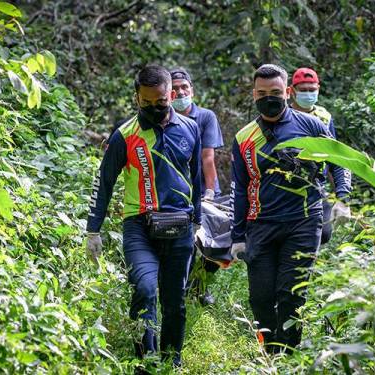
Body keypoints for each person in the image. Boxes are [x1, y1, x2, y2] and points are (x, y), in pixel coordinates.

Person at [85, 65, 202, 367]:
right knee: (145, 290)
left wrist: (199, 221)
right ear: (136, 98)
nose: (154, 107)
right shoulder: (124, 136)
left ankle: (171, 362)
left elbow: (197, 179)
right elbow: (104, 181)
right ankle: (145, 363)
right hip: (139, 225)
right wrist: (92, 231)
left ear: (170, 94)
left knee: (174, 302)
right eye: (146, 102)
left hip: (181, 225)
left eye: (160, 101)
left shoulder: (190, 128)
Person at [230, 64, 352, 353]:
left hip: (304, 221)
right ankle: (269, 352)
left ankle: (289, 355)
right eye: (262, 93)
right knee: (260, 297)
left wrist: (342, 198)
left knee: (291, 294)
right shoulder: (243, 138)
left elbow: (340, 161)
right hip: (261, 224)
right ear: (253, 94)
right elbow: (239, 189)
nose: (268, 98)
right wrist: (236, 236)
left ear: (287, 92)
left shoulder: (311, 126)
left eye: (275, 92)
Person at [170, 67, 224, 305]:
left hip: (205, 188)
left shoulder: (205, 117)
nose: (180, 92)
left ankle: (202, 286)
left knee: (212, 242)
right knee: (185, 242)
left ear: (192, 90)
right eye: (175, 89)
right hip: (177, 190)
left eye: (184, 88)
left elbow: (208, 157)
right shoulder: (165, 117)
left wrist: (209, 192)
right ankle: (182, 287)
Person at [289, 67, 348, 244]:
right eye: (303, 90)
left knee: (324, 233)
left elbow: (333, 155)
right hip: (288, 180)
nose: (308, 94)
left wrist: (340, 195)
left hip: (316, 183)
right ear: (292, 91)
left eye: (312, 90)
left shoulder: (324, 117)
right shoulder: (285, 115)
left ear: (318, 89)